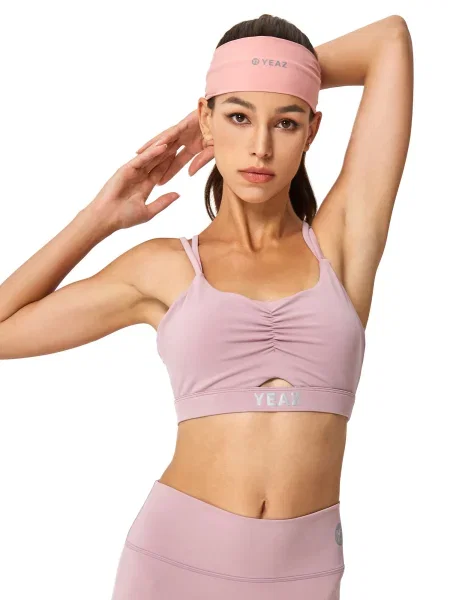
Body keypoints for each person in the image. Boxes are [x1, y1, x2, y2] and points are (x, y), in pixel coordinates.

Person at [0, 13, 413, 600]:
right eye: (238, 117)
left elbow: (390, 40)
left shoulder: (342, 247)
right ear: (206, 120)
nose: (261, 145)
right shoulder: (164, 267)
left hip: (304, 574)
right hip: (175, 563)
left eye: (286, 121)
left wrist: (273, 74)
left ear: (312, 131)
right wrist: (98, 219)